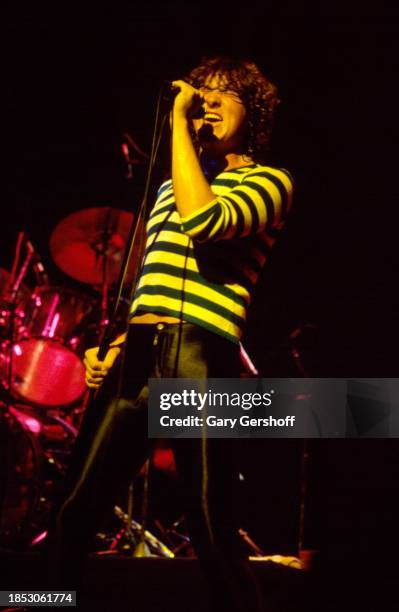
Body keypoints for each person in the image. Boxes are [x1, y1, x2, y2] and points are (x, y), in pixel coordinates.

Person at [49, 56, 293, 612]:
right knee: (73, 509)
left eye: (221, 95)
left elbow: (206, 223)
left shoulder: (271, 182)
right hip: (138, 355)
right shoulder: (168, 190)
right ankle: (41, 603)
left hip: (198, 357)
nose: (204, 102)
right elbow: (153, 283)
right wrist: (112, 347)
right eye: (199, 92)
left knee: (209, 521)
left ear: (251, 112)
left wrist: (180, 129)